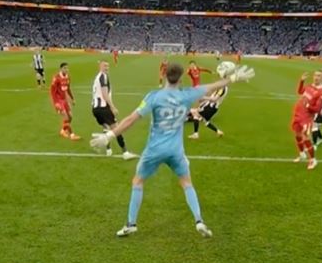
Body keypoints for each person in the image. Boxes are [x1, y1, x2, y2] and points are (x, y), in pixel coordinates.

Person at [90, 63, 255, 238]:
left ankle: (131, 224)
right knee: (186, 183)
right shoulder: (187, 94)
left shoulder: (153, 97)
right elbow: (213, 86)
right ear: (181, 78)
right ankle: (199, 220)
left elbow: (131, 119)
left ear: (164, 75)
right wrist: (233, 78)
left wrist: (109, 136)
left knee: (138, 181)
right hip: (176, 150)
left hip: (154, 150)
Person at [91, 60, 137, 160]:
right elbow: (104, 93)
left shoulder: (97, 77)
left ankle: (108, 150)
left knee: (106, 128)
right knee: (117, 129)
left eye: (108, 66)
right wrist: (112, 106)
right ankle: (125, 152)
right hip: (103, 108)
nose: (106, 68)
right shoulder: (103, 76)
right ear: (100, 66)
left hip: (96, 109)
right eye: (104, 66)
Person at [291, 71, 322, 170]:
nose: (316, 77)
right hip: (298, 113)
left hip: (306, 117)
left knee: (305, 138)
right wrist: (302, 81)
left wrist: (308, 105)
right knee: (297, 135)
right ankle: (302, 154)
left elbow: (317, 109)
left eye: (319, 76)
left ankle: (313, 160)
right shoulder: (309, 86)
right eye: (315, 75)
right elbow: (300, 91)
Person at [50, 62, 80, 140]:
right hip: (58, 100)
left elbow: (68, 89)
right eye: (65, 68)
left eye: (67, 68)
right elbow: (52, 91)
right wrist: (56, 103)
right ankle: (72, 135)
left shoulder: (67, 77)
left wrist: (72, 99)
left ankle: (63, 130)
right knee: (66, 117)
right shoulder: (56, 78)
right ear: (61, 69)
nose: (66, 70)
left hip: (64, 100)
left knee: (70, 117)